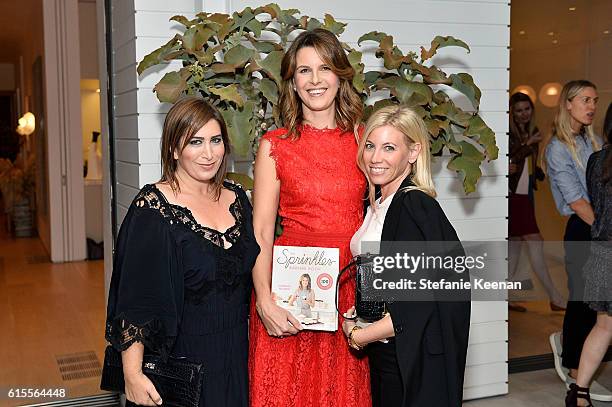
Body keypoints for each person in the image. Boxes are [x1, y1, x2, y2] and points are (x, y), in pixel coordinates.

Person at [104, 97, 260, 406]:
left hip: (237, 356)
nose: (208, 153)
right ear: (174, 149)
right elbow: (135, 301)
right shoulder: (153, 209)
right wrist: (132, 374)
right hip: (181, 367)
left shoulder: (238, 198)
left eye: (215, 141)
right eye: (195, 142)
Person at [249, 28, 371, 406]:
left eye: (324, 68)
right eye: (304, 71)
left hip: (347, 291)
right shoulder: (275, 144)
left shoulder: (365, 140)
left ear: (340, 75)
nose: (315, 80)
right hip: (288, 290)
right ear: (292, 81)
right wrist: (264, 299)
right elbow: (261, 230)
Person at [342, 105, 471, 406]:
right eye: (371, 146)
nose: (376, 158)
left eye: (389, 148)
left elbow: (418, 303)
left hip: (410, 356)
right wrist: (363, 311)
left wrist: (360, 335)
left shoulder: (414, 207)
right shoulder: (379, 203)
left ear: (413, 152)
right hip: (389, 349)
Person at [543, 80, 610, 401]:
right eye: (585, 100)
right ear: (567, 104)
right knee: (584, 300)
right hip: (585, 227)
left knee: (597, 303)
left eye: (595, 100)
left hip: (601, 225)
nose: (591, 106)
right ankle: (573, 368)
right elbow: (576, 201)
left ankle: (580, 360)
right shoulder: (558, 147)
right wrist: (604, 230)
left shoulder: (594, 141)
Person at [565, 102, 612, 406]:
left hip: (602, 252)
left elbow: (597, 205)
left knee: (604, 326)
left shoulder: (597, 160)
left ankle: (579, 393)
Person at [507, 91, 565, 311]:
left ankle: (507, 296)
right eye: (519, 110)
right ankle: (555, 297)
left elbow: (529, 166)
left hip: (525, 194)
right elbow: (510, 162)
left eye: (527, 109)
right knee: (535, 241)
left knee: (514, 247)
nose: (524, 114)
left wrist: (540, 173)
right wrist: (528, 143)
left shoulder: (533, 131)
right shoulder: (511, 134)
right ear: (512, 113)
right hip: (513, 196)